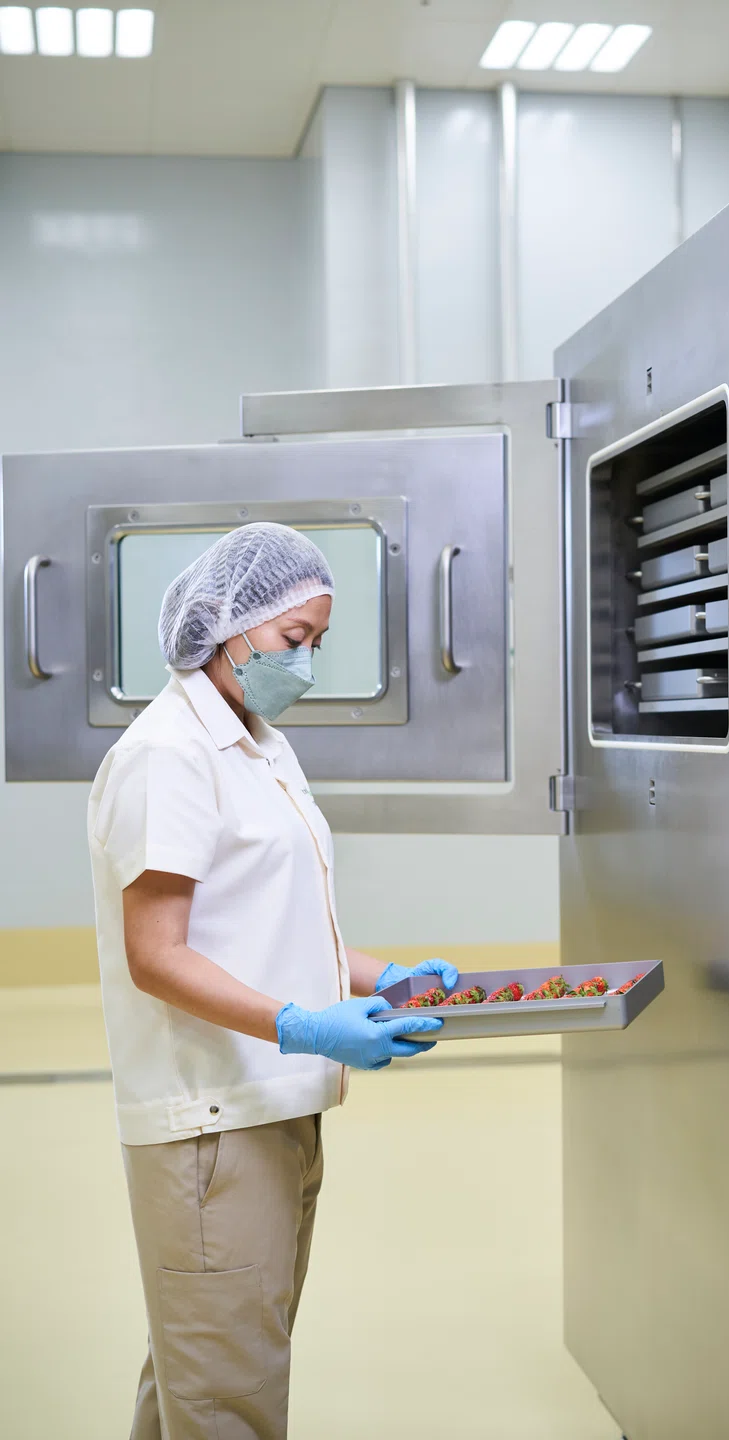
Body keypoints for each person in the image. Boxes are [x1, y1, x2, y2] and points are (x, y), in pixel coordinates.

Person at [87, 522, 458, 1439]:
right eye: (296, 643)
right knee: (227, 1398)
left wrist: (391, 976)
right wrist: (305, 1026)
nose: (308, 665)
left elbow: (279, 926)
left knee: (202, 1374)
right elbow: (157, 954)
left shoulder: (253, 739)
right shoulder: (168, 755)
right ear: (226, 627)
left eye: (317, 645)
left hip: (272, 1109)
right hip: (213, 1123)